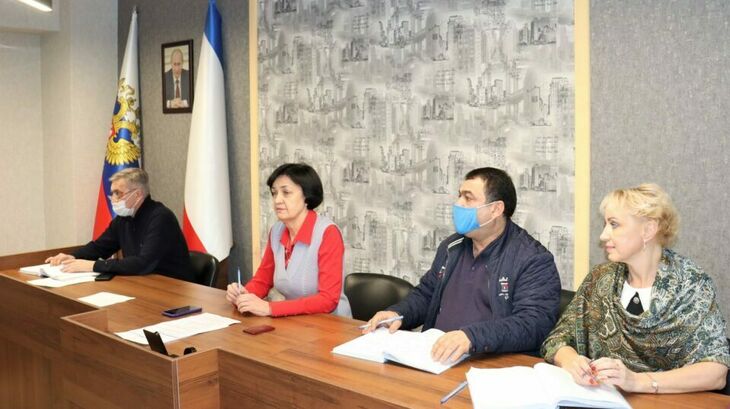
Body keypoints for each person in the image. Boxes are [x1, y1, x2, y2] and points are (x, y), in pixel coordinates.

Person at [541, 183, 729, 394]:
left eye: (614, 224)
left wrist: (637, 382)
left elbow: (715, 371)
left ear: (648, 230)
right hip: (600, 399)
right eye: (605, 224)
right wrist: (571, 360)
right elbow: (557, 338)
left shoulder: (691, 286)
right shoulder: (601, 279)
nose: (603, 235)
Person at [364, 167, 561, 364]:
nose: (458, 204)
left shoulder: (532, 259)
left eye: (468, 198)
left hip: (489, 364)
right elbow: (427, 294)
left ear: (495, 209)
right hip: (435, 357)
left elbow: (533, 324)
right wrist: (398, 313)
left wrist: (472, 337)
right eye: (459, 196)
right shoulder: (452, 247)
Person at [226, 163, 351, 317]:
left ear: (306, 196)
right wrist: (244, 295)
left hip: (332, 323)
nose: (277, 200)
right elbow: (263, 280)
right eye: (274, 193)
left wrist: (270, 308)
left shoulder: (328, 233)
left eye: (286, 192)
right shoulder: (276, 231)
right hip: (296, 322)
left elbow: (328, 299)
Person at [46, 168, 194, 282]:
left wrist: (92, 266)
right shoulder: (124, 218)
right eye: (112, 194)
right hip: (143, 283)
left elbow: (143, 263)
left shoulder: (161, 217)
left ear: (137, 194)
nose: (113, 199)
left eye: (118, 193)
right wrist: (72, 256)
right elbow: (100, 247)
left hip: (173, 287)